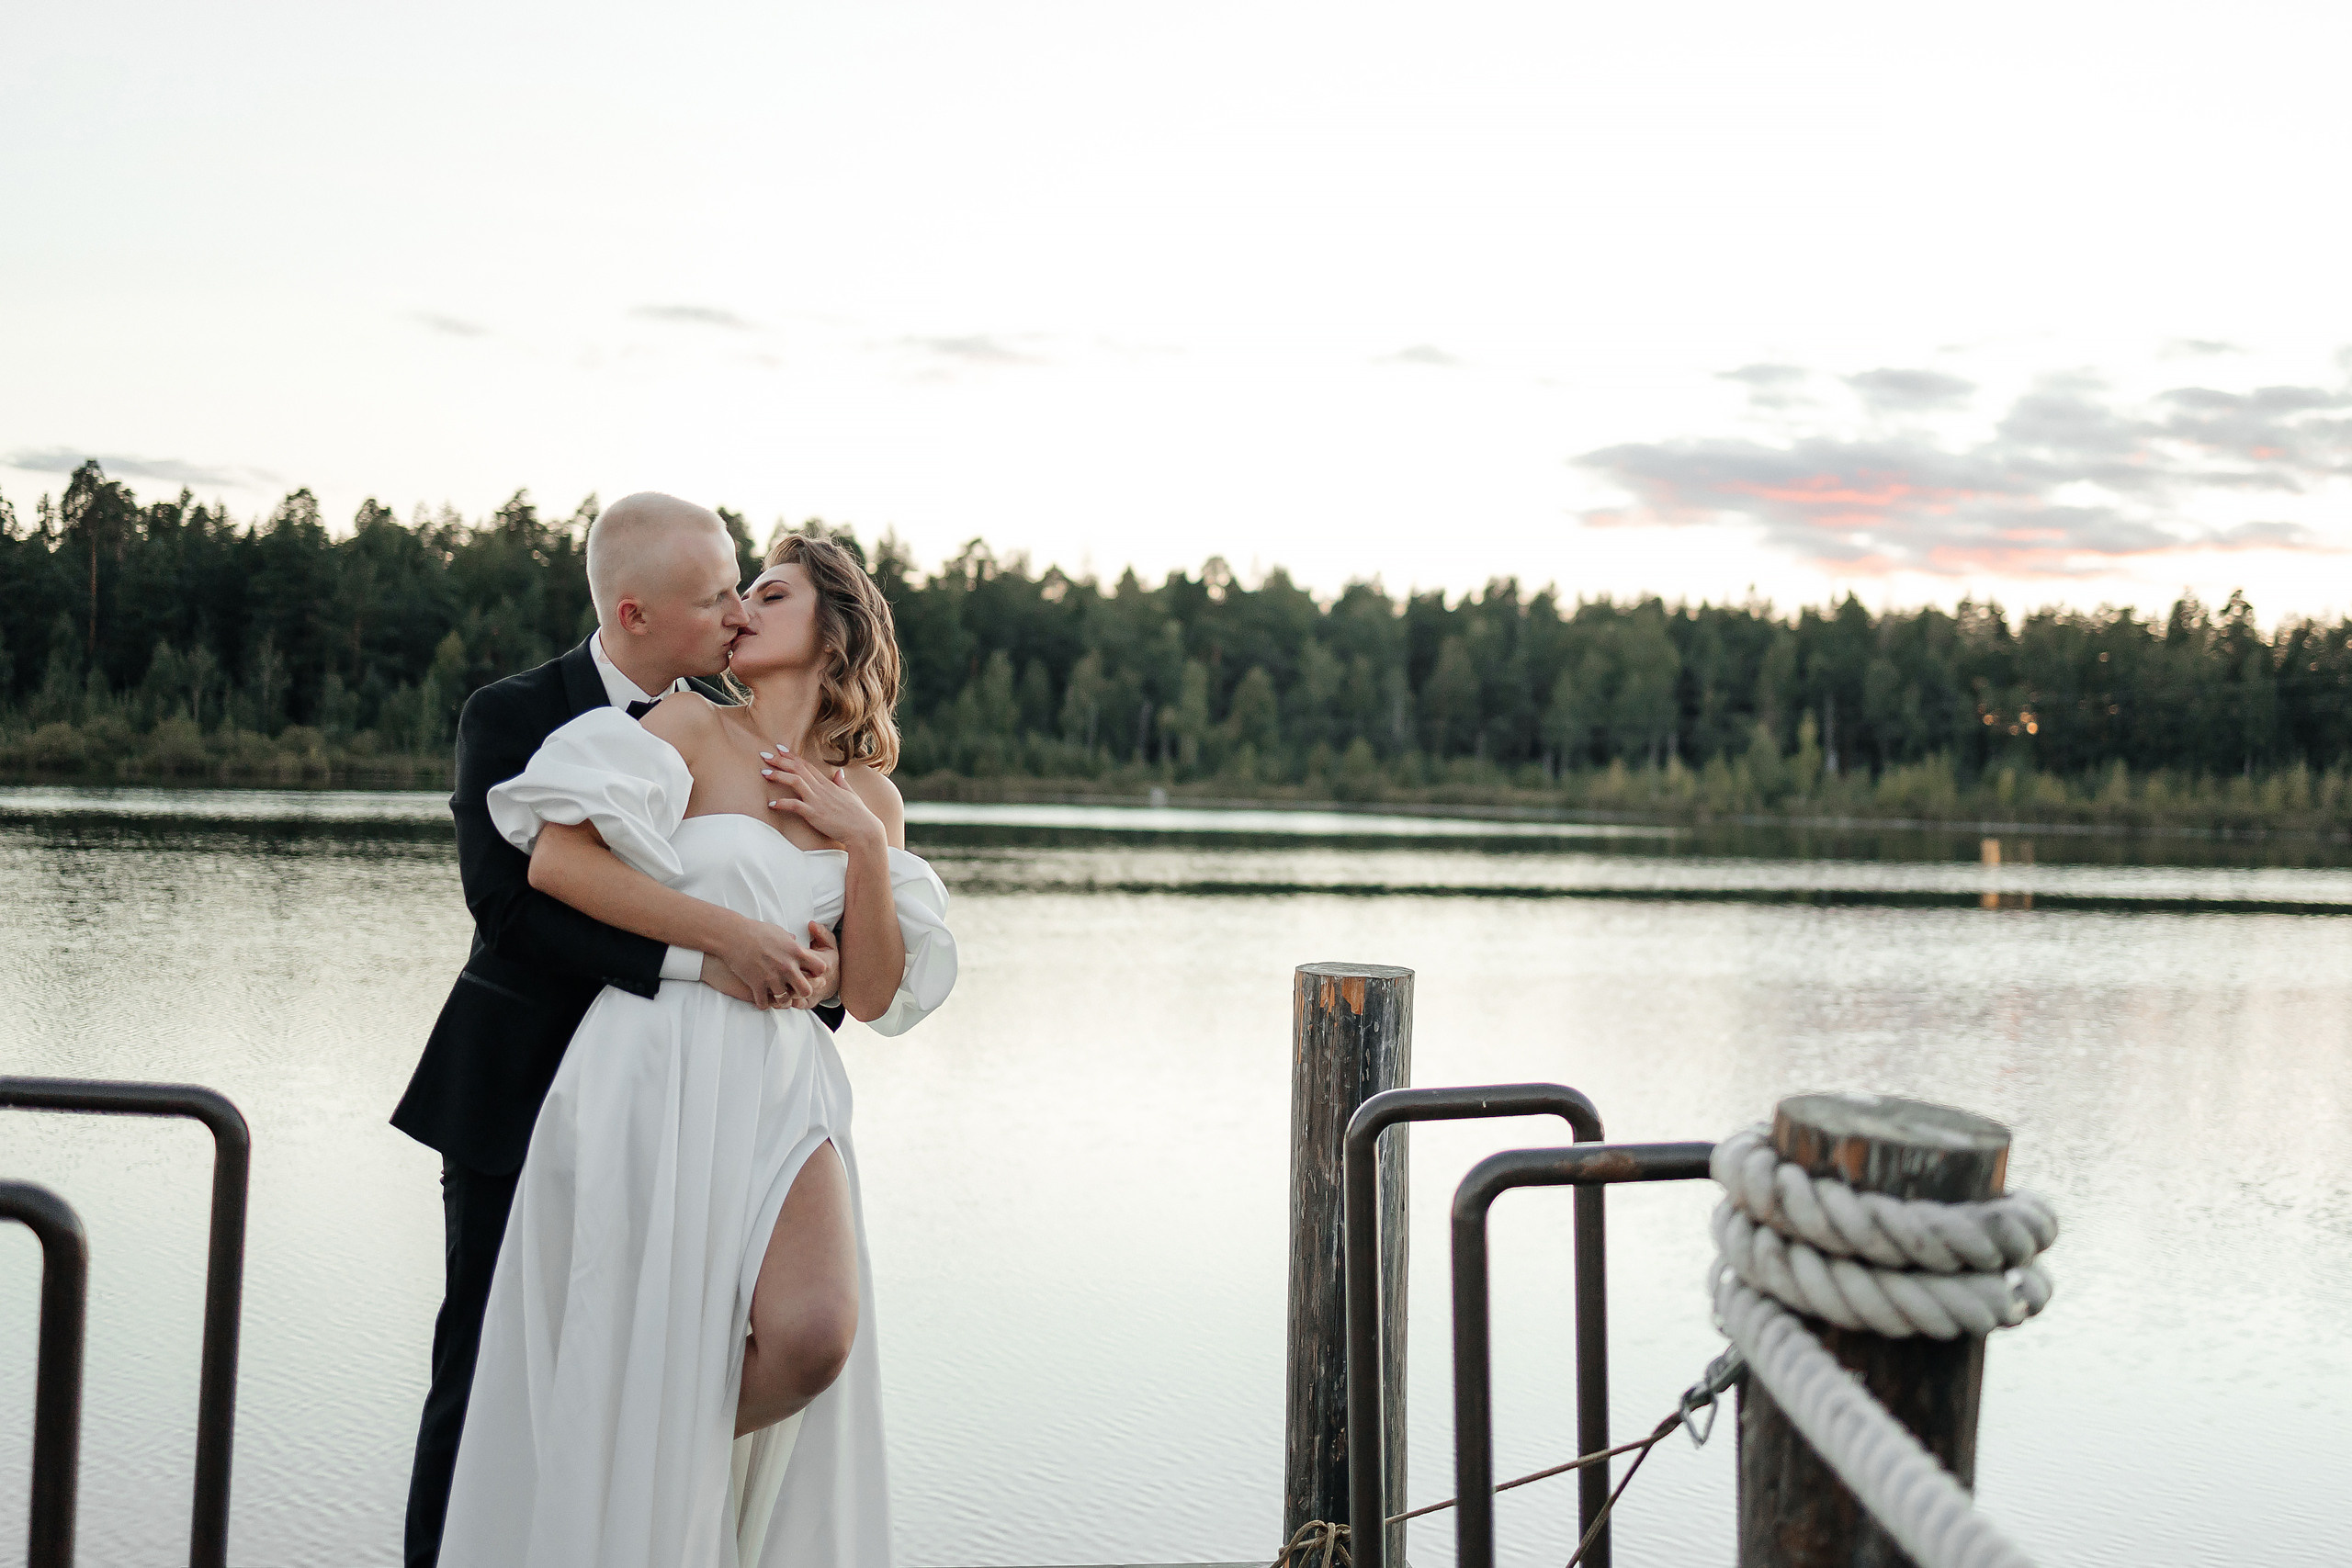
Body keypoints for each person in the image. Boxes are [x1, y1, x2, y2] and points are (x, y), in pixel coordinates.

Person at [435, 529, 956, 1568]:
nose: (739, 610)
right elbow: (557, 868)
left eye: (770, 594)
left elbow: (866, 991)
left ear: (836, 628)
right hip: (651, 1063)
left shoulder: (873, 798)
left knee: (814, 1338)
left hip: (786, 1083)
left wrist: (858, 844)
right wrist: (729, 939)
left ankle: (621, 1466)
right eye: (737, 594)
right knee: (636, 1316)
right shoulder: (682, 726)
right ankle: (616, 1509)